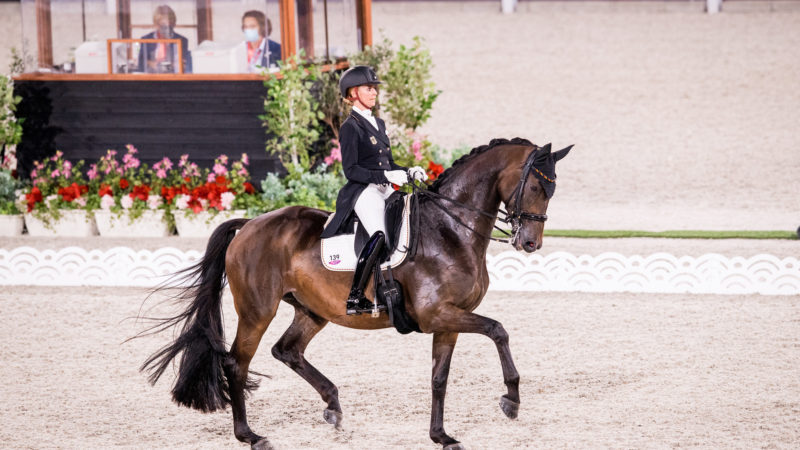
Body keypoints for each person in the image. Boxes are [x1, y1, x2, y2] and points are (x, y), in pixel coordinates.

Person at [320, 65, 428, 315]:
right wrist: (385, 176)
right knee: (380, 233)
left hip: (383, 187)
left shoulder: (378, 123)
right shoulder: (351, 126)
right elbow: (351, 170)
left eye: (374, 88)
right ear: (354, 92)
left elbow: (388, 164)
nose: (374, 92)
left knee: (411, 219)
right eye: (369, 88)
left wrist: (409, 170)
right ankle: (356, 297)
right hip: (363, 191)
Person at [136, 5, 193, 73]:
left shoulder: (182, 40)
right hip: (151, 77)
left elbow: (184, 63)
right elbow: (141, 62)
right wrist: (152, 63)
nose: (166, 30)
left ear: (174, 24)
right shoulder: (146, 39)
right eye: (163, 26)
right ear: (156, 24)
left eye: (169, 26)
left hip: (173, 77)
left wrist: (175, 64)